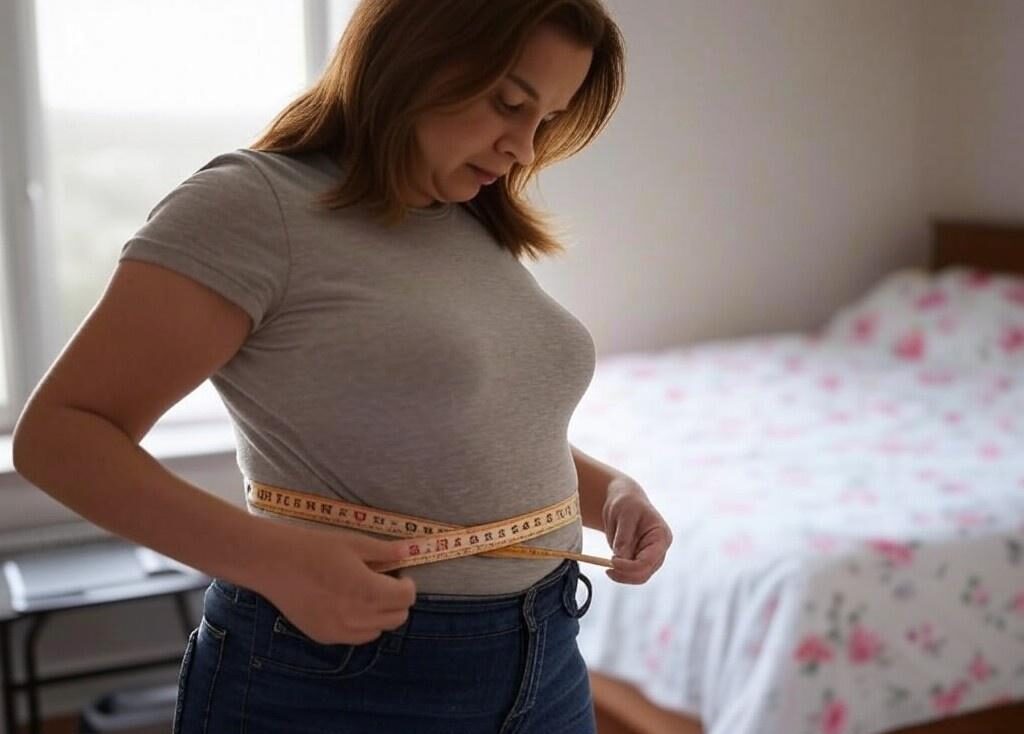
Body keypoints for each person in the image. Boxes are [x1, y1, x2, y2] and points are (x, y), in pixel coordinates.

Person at [12, 0, 672, 731]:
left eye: (545, 119)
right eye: (508, 103)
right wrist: (275, 560)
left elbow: (475, 428)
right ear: (414, 52)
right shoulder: (252, 207)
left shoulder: (467, 219)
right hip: (344, 678)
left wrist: (609, 492)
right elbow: (59, 436)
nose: (523, 145)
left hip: (546, 653)